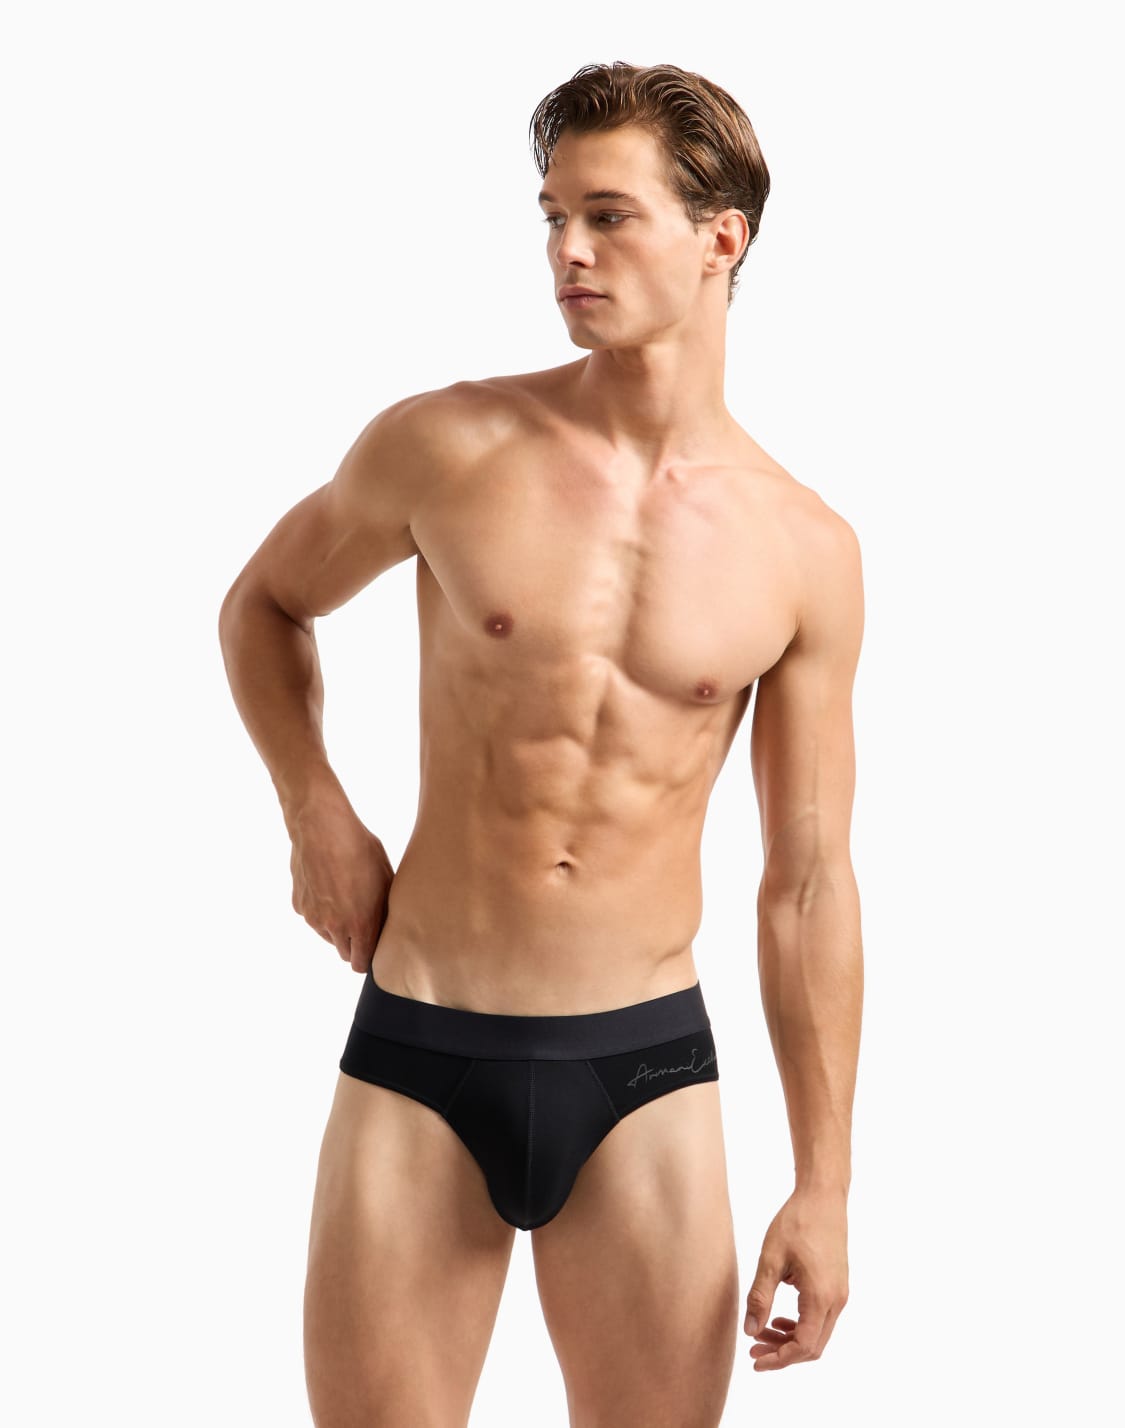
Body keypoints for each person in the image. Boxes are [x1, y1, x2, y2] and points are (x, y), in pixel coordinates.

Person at [219, 59, 864, 1428]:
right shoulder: (447, 445)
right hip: (420, 1046)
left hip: (644, 1074)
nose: (568, 250)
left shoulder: (802, 549)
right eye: (553, 215)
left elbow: (807, 883)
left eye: (608, 216)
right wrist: (314, 810)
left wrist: (824, 1184)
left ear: (722, 237)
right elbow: (265, 604)